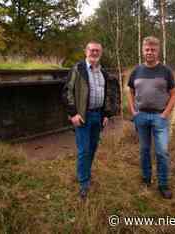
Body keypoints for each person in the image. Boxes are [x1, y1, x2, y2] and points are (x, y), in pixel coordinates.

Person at [128, 36, 175, 199]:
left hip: (159, 117)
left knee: (162, 152)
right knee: (144, 150)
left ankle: (163, 185)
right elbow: (130, 91)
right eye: (147, 49)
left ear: (158, 51)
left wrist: (165, 114)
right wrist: (133, 111)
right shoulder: (136, 71)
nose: (150, 52)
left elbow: (173, 94)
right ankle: (146, 179)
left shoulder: (166, 71)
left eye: (153, 50)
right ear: (143, 50)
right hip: (141, 116)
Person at [62, 41, 112, 200]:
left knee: (92, 147)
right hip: (83, 116)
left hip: (98, 115)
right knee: (84, 149)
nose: (94, 53)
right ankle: (84, 182)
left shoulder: (103, 72)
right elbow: (67, 91)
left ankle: (85, 173)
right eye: (92, 50)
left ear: (100, 53)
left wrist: (106, 114)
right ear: (86, 51)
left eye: (97, 50)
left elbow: (107, 94)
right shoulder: (78, 69)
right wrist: (73, 113)